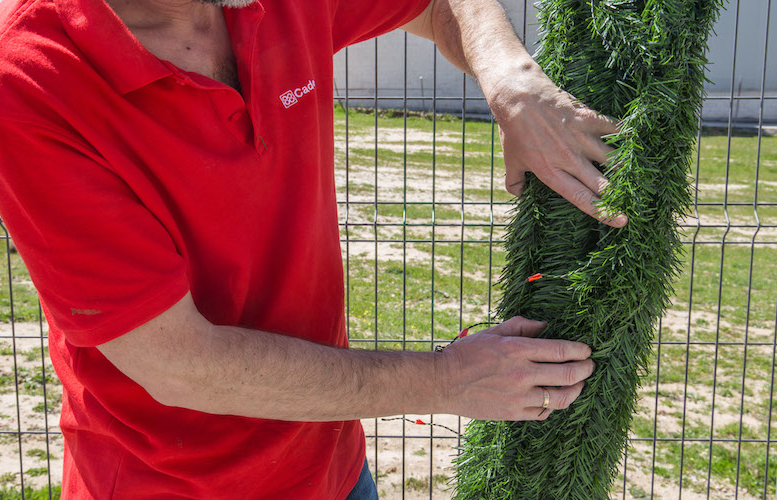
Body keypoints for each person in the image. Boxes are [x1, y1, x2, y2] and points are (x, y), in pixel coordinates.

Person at [0, 0, 627, 497]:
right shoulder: (33, 80)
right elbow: (177, 362)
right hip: (172, 486)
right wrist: (447, 380)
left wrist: (510, 81)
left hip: (331, 470)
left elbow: (440, 4)